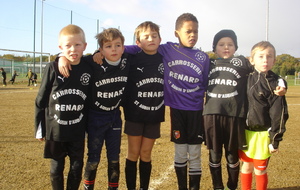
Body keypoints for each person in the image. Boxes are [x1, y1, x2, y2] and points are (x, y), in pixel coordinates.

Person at [125, 13, 210, 190]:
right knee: (178, 152)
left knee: (193, 153)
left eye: (195, 31)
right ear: (176, 33)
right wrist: (99, 50)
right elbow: (132, 48)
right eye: (188, 31)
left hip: (194, 110)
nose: (192, 35)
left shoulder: (203, 57)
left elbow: (205, 82)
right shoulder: (167, 49)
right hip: (175, 110)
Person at [202, 30, 286, 190]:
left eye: (230, 44)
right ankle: (218, 186)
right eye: (221, 44)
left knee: (232, 155)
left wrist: (282, 82)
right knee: (215, 154)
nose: (226, 47)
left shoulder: (241, 62)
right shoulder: (209, 64)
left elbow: (264, 69)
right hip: (211, 115)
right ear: (214, 47)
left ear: (236, 47)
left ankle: (231, 186)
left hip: (234, 116)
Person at [34, 24, 92, 190]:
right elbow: (40, 100)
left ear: (85, 46)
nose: (73, 49)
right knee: (56, 168)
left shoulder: (88, 67)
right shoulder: (53, 67)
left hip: (77, 130)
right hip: (56, 130)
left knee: (76, 167)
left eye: (77, 45)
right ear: (60, 47)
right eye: (67, 46)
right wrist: (39, 128)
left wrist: (88, 127)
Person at [239, 41, 288, 190]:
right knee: (246, 167)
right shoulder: (245, 77)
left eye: (269, 56)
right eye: (260, 56)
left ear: (274, 60)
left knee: (260, 169)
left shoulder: (276, 86)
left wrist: (275, 139)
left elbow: (279, 114)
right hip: (245, 133)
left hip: (263, 135)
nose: (265, 60)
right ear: (252, 60)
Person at [122, 21, 164, 190]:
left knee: (146, 154)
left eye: (154, 36)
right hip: (134, 115)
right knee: (133, 153)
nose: (151, 39)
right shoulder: (131, 57)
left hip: (154, 115)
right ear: (138, 42)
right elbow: (112, 49)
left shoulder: (165, 57)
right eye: (146, 36)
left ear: (160, 39)